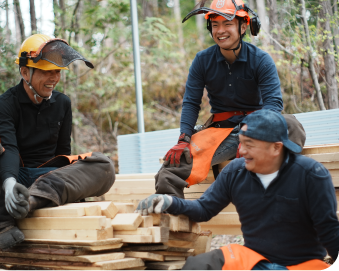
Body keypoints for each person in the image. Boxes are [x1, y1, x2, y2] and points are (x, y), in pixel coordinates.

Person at [0, 34, 115, 250]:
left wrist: (70, 183)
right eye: (45, 72)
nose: (53, 78)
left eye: (57, 72)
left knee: (104, 165)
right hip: (15, 176)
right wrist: (10, 182)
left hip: (49, 180)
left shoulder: (63, 103)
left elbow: (63, 153)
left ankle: (30, 201)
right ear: (24, 72)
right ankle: (2, 223)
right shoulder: (3, 105)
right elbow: (9, 149)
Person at [136, 110, 338, 270]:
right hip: (253, 259)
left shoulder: (311, 175)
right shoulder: (235, 172)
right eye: (241, 143)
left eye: (249, 144)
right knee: (199, 266)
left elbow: (329, 230)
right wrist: (170, 202)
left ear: (277, 148)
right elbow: (204, 209)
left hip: (301, 264)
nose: (239, 151)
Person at [156, 0, 289, 198]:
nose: (220, 31)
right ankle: (175, 215)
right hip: (222, 133)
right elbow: (191, 103)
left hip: (258, 130)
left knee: (291, 126)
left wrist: (252, 130)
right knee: (171, 168)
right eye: (215, 24)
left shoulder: (261, 60)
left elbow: (273, 104)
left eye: (227, 23)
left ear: (243, 26)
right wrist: (184, 138)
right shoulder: (202, 61)